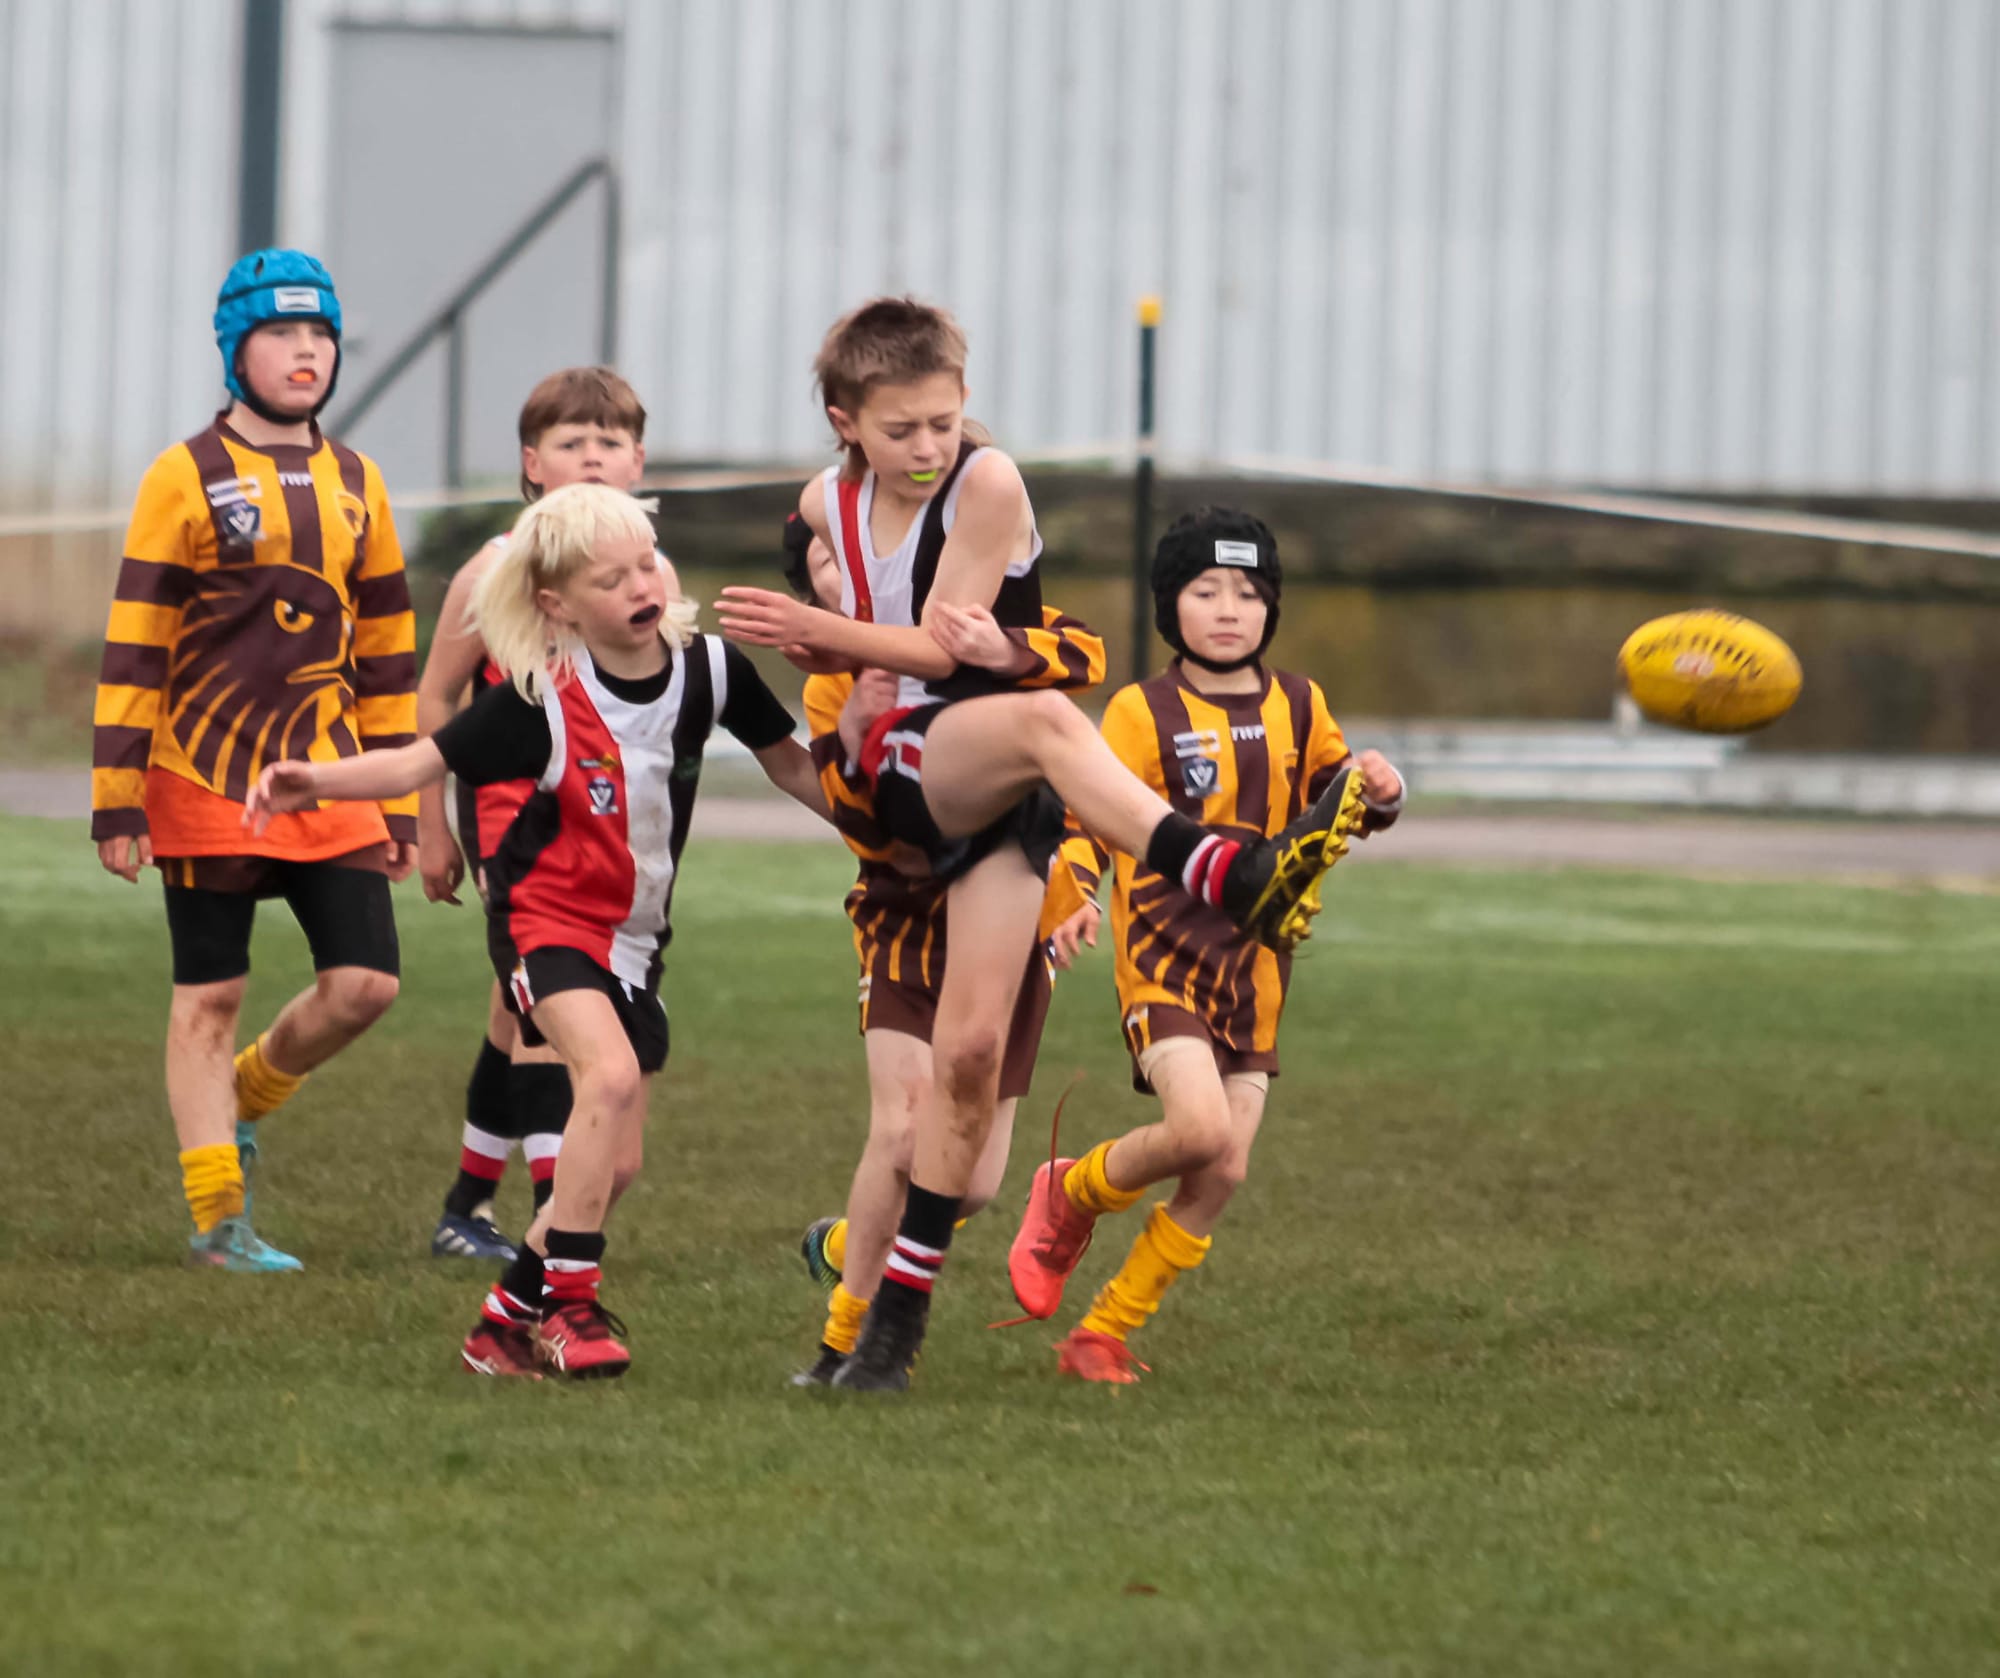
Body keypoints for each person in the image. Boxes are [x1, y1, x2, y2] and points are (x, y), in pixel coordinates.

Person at [715, 297, 1369, 1391]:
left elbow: (942, 647)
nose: (929, 449)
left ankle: (888, 1341)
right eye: (899, 430)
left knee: (968, 1068)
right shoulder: (825, 507)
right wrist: (860, 688)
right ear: (842, 422)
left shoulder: (989, 482)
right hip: (917, 786)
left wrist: (864, 639)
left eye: (943, 419)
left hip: (992, 792)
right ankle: (1218, 866)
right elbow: (881, 702)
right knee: (1042, 725)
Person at [247, 483, 826, 1379]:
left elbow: (794, 766)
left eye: (645, 564)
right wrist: (311, 782)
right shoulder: (540, 699)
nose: (639, 586)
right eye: (609, 579)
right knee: (611, 1073)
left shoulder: (713, 671)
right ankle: (573, 1312)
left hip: (637, 940)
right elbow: (417, 760)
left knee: (613, 1165)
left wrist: (891, 837)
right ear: (557, 606)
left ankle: (501, 1323)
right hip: (543, 920)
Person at [1008, 508, 1405, 1383]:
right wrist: (1074, 894)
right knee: (1195, 1128)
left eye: (1249, 593)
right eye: (1205, 590)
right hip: (1164, 957)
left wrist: (1380, 787)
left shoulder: (1302, 705)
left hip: (1256, 970)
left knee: (1223, 1166)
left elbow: (1344, 804)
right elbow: (1085, 813)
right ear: (1167, 605)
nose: (1230, 609)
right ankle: (1070, 1193)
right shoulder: (1140, 714)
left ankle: (1102, 1333)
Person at [91, 248, 416, 1272]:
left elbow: (388, 647)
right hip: (201, 775)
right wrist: (117, 797)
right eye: (281, 333)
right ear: (237, 350)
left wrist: (398, 797)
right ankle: (218, 1218)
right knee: (211, 996)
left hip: (328, 776)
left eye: (318, 333)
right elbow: (136, 638)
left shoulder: (359, 480)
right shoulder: (181, 475)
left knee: (365, 984)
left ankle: (244, 1096)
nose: (305, 351)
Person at [775, 514, 1105, 1386]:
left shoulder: (974, 622)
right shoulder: (833, 680)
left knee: (976, 1183)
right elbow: (865, 824)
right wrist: (853, 733)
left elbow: (1081, 667)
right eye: (826, 566)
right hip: (906, 916)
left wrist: (1073, 882)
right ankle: (844, 1338)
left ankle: (849, 1243)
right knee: (904, 1130)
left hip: (1004, 927)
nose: (849, 575)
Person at [416, 366, 674, 1265]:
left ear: (639, 461)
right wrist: (433, 823)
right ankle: (555, 1218)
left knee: (513, 1012)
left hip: (609, 835)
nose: (594, 458)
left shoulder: (652, 577)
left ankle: (468, 1205)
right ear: (533, 463)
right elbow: (438, 697)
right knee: (539, 1016)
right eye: (573, 443)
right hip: (516, 820)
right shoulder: (496, 571)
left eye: (610, 443)